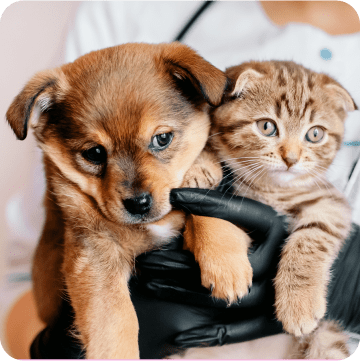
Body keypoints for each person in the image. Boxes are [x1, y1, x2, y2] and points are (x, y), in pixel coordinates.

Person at [30, 1, 360, 358]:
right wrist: (56, 348)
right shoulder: (125, 9)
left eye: (161, 139)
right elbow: (20, 275)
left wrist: (351, 288)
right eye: (96, 154)